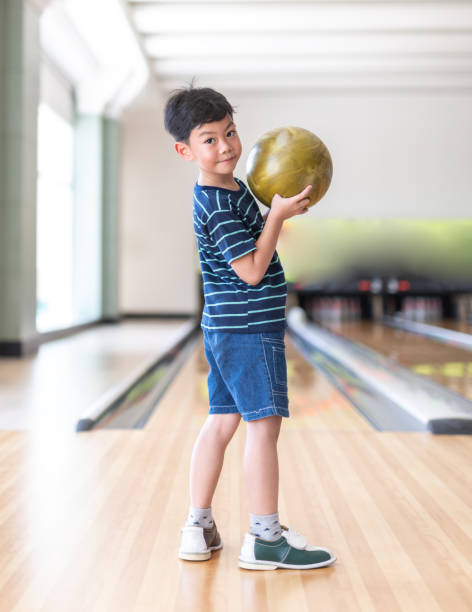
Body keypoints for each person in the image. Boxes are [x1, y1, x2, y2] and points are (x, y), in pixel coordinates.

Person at [163, 84, 336, 570]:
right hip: (248, 326)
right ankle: (265, 538)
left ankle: (197, 526)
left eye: (230, 133)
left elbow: (246, 244)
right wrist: (277, 217)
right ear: (186, 150)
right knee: (264, 428)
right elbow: (252, 271)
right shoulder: (217, 203)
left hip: (225, 325)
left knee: (221, 423)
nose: (226, 147)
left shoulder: (231, 190)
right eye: (210, 140)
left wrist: (271, 213)